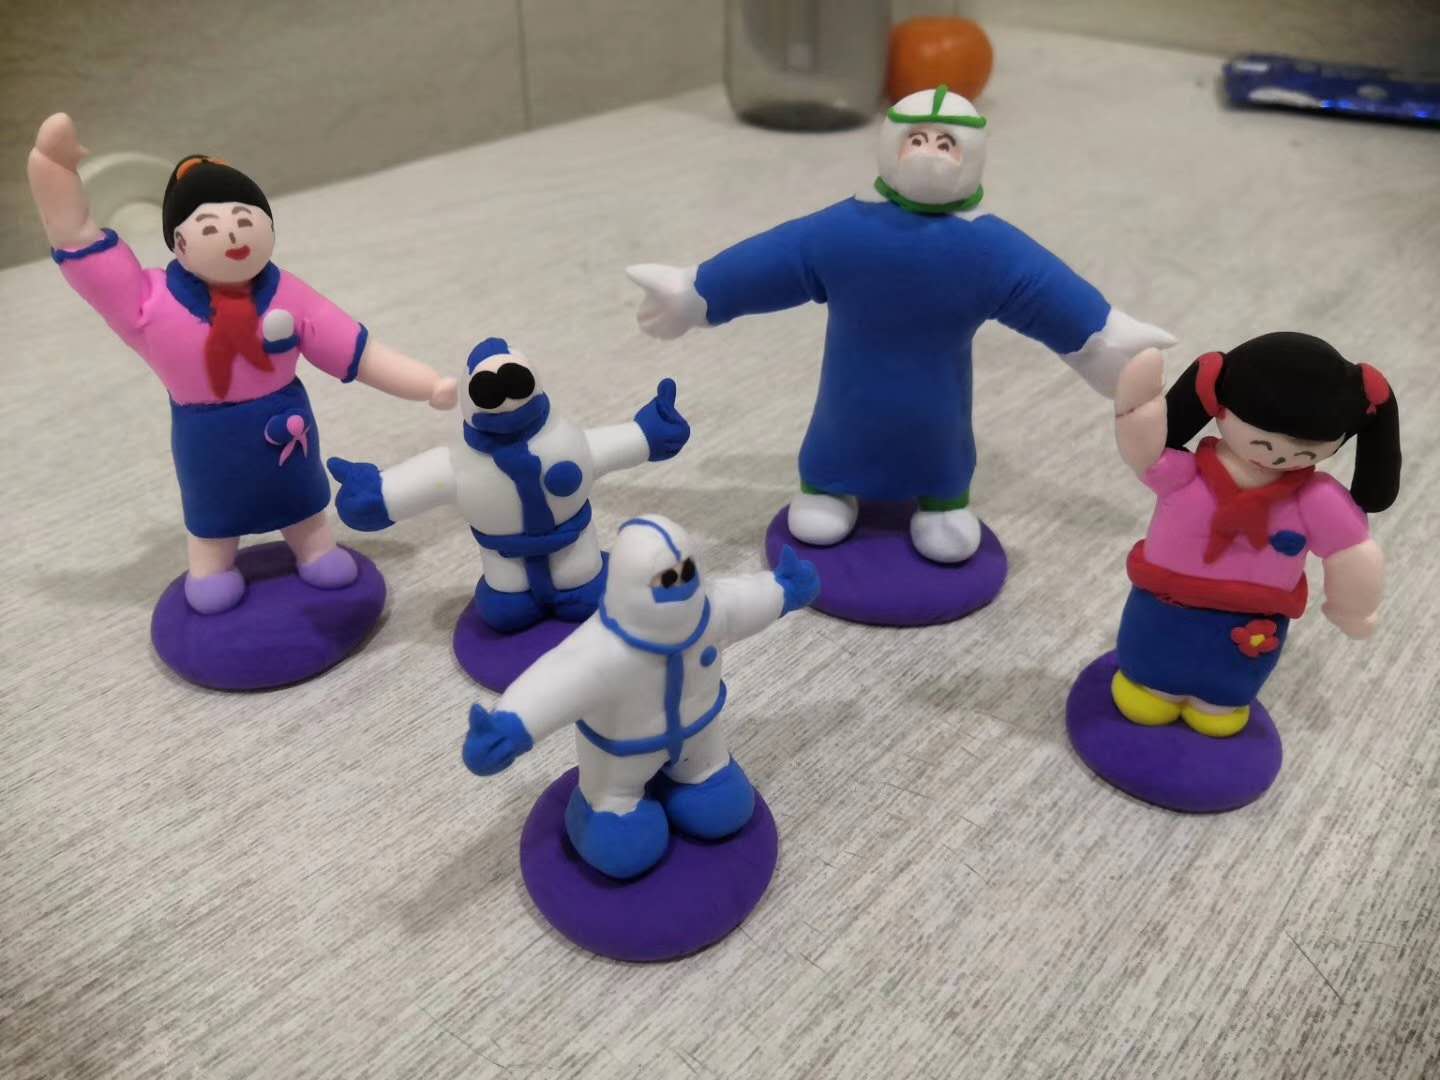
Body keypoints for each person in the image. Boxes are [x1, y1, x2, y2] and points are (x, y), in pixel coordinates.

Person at [626, 85, 1174, 564]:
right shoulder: (845, 229)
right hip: (847, 400)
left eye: (946, 143)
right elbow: (773, 261)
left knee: (939, 447)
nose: (930, 152)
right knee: (838, 437)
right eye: (918, 139)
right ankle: (828, 489)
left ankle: (942, 502)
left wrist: (1107, 344)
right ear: (892, 146)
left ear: (971, 156)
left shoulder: (989, 248)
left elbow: (1049, 294)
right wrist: (696, 293)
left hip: (938, 413)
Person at [28, 113, 456, 614]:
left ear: (269, 227)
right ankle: (211, 565)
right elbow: (82, 246)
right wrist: (53, 170)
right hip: (206, 437)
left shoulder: (288, 293)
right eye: (211, 227)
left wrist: (427, 384)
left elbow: (358, 351)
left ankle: (314, 547)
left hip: (286, 426)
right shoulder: (152, 303)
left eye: (245, 221)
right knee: (213, 508)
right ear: (179, 242)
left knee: (299, 497)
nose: (232, 237)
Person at [461, 515, 820, 879]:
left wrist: (783, 590)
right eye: (665, 580)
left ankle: (698, 777)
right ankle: (603, 807)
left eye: (686, 572)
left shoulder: (711, 611)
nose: (679, 586)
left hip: (701, 737)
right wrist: (509, 728)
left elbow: (745, 601)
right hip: (620, 757)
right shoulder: (604, 650)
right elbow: (556, 680)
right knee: (627, 848)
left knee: (726, 809)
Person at [1110, 333, 1400, 736]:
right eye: (1263, 441)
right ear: (1217, 407)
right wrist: (1137, 412)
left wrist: (1353, 606)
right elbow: (1145, 455)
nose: (1278, 456)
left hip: (1253, 619)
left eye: (1303, 450)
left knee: (1227, 682)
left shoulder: (1316, 499)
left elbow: (1351, 551)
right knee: (1152, 663)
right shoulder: (1188, 475)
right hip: (1166, 601)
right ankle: (1151, 687)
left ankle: (1217, 702)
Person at [327, 338, 691, 631]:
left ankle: (573, 587)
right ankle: (521, 598)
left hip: (573, 548)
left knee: (585, 594)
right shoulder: (458, 462)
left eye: (516, 383)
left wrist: (650, 433)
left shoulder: (567, 440)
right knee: (506, 613)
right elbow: (416, 484)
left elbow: (610, 446)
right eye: (489, 390)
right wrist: (376, 495)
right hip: (505, 561)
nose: (505, 397)